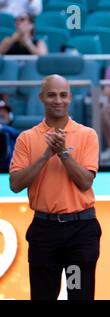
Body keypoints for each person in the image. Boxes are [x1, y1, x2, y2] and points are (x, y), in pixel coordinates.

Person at [9, 74, 101, 300]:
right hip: (44, 233)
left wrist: (62, 153)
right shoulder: (27, 138)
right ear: (41, 98)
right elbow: (15, 184)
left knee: (78, 294)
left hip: (79, 234)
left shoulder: (87, 135)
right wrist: (44, 156)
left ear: (70, 98)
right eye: (51, 95)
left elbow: (85, 182)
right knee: (43, 296)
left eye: (62, 95)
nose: (57, 100)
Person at [0, 99, 19, 169]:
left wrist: (2, 127)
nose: (1, 115)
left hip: (9, 170)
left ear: (10, 116)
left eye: (4, 112)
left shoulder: (14, 133)